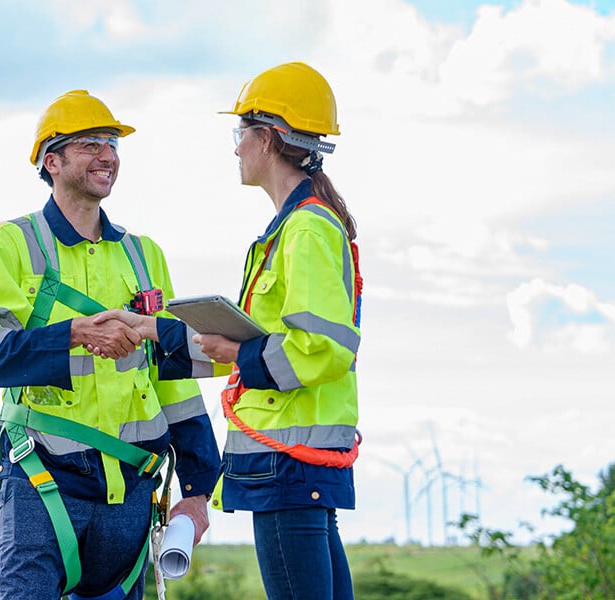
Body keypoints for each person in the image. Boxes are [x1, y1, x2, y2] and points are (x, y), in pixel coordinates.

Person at [91, 62, 361, 600]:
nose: (236, 148)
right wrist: (152, 330)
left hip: (288, 462)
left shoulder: (304, 229)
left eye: (242, 134)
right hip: (295, 465)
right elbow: (241, 348)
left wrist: (241, 352)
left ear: (270, 138)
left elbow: (323, 349)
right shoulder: (293, 227)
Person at [0, 89, 221, 600]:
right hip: (43, 477)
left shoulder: (145, 255)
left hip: (133, 488)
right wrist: (74, 335)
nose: (108, 155)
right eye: (90, 144)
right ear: (51, 162)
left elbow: (175, 384)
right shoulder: (12, 244)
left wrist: (198, 491)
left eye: (113, 144)